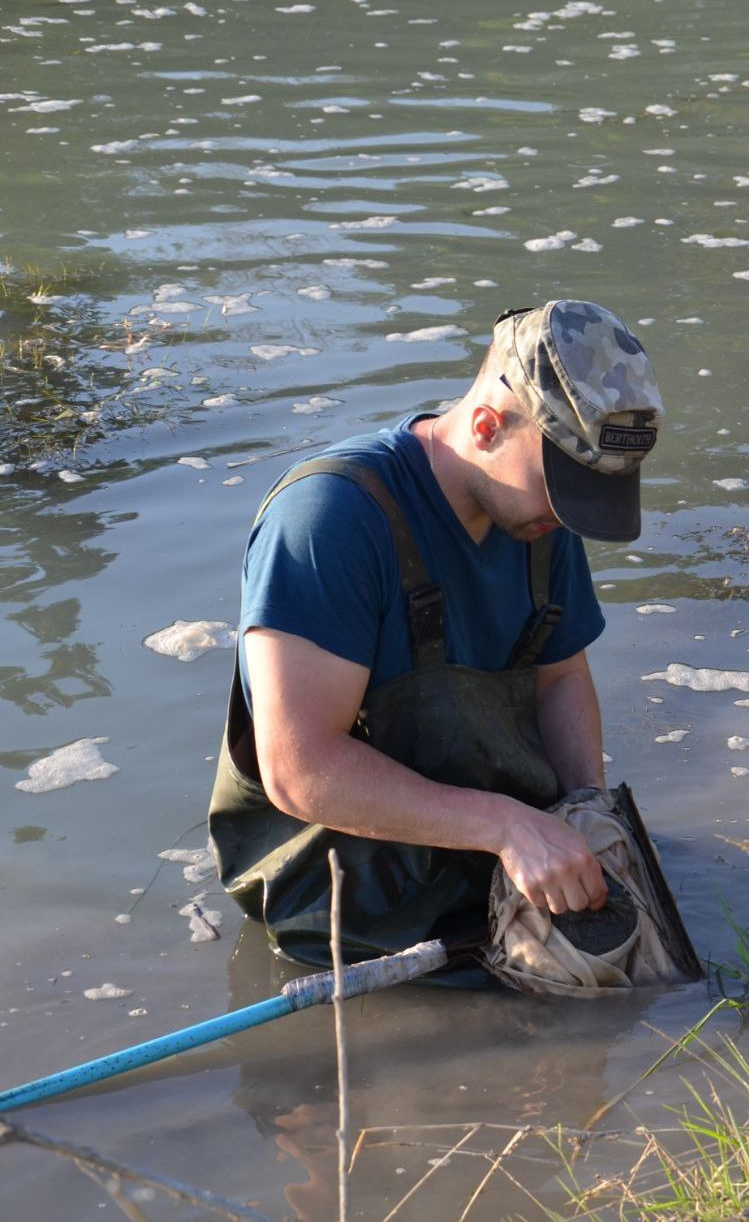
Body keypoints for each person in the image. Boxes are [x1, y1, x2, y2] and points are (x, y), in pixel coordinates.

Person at [209, 299, 665, 977]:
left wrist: (586, 814)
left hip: (488, 860)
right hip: (349, 912)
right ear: (487, 425)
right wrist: (508, 827)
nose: (570, 517)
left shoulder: (537, 520)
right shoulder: (327, 520)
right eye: (562, 488)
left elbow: (561, 677)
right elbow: (298, 770)